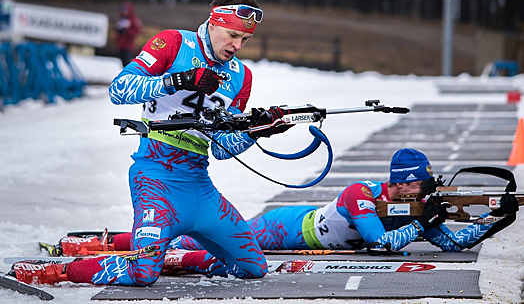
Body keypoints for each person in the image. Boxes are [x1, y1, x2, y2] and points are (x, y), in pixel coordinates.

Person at [12, 0, 293, 286]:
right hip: (156, 179)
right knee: (142, 273)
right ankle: (57, 271)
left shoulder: (241, 76)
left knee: (253, 266)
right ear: (214, 22)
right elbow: (119, 89)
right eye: (233, 35)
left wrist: (256, 130)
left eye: (245, 39)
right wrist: (177, 81)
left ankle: (173, 257)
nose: (237, 46)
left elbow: (222, 148)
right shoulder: (173, 43)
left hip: (200, 186)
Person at [36, 148, 519, 270]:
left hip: (296, 224)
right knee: (191, 249)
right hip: (277, 229)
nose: (424, 197)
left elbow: (454, 242)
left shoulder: (406, 208)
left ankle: (104, 244)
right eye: (419, 190)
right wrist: (421, 220)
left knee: (190, 244)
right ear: (401, 186)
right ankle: (97, 245)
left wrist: (495, 220)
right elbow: (380, 243)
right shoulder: (360, 195)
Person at [114, 1, 142, 66]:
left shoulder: (134, 20)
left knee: (127, 62)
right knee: (120, 62)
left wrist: (127, 31)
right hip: (120, 45)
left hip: (129, 46)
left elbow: (137, 31)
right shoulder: (121, 19)